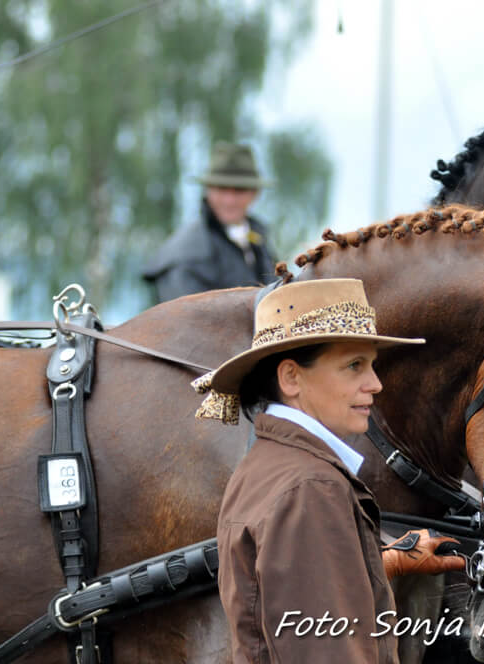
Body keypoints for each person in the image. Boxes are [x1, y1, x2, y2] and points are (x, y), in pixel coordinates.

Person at [194, 278, 465, 663]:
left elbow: (290, 583)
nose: (375, 384)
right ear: (291, 378)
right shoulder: (311, 487)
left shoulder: (270, 466)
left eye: (372, 366)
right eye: (354, 366)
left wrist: (388, 558)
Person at [143, 141, 278, 302]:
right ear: (208, 190)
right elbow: (186, 322)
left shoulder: (258, 239)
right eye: (221, 189)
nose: (229, 201)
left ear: (255, 193)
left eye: (239, 190)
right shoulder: (185, 255)